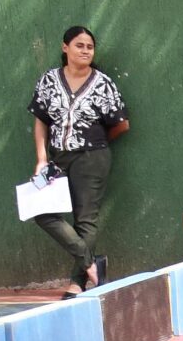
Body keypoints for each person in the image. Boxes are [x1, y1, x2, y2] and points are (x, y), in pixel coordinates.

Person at [27, 25, 127, 298]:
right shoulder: (49, 81)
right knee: (41, 211)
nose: (85, 51)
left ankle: (77, 282)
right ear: (65, 47)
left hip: (92, 157)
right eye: (79, 45)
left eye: (90, 47)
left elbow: (121, 124)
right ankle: (91, 263)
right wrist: (41, 159)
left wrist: (94, 144)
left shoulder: (102, 83)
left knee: (85, 219)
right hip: (57, 158)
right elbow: (40, 121)